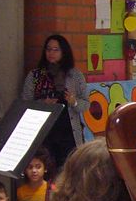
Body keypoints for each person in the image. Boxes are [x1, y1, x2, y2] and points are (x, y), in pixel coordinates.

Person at [21, 34, 90, 170]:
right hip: (44, 131)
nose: (51, 53)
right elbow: (25, 103)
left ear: (63, 52)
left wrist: (73, 101)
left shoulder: (74, 75)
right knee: (46, 168)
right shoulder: (35, 75)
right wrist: (42, 104)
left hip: (68, 131)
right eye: (48, 49)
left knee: (68, 169)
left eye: (55, 50)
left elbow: (86, 104)